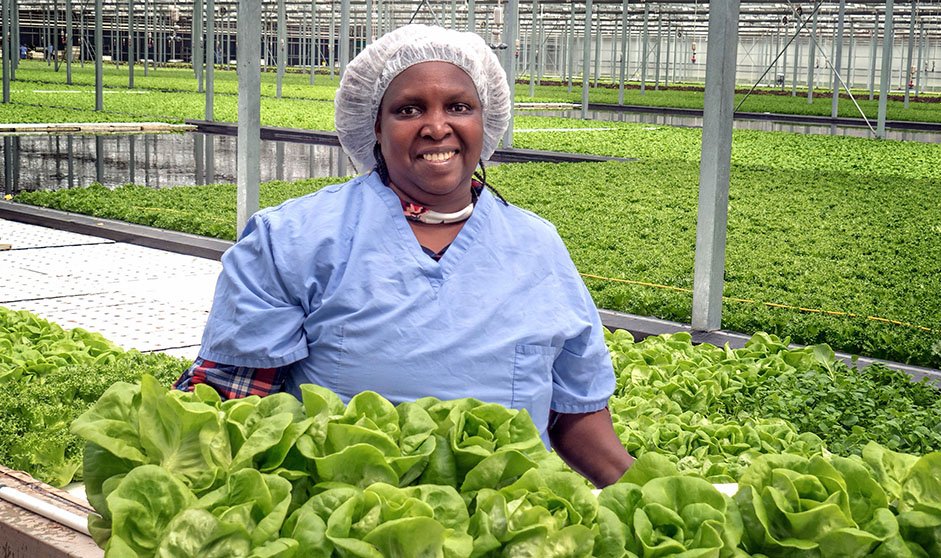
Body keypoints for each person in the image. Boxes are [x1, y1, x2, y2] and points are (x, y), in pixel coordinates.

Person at [175, 24, 634, 487]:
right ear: (375, 125)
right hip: (343, 522)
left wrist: (664, 504)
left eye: (459, 106)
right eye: (409, 109)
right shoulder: (294, 238)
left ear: (485, 118)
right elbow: (234, 403)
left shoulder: (538, 247)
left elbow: (577, 418)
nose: (437, 127)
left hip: (506, 524)